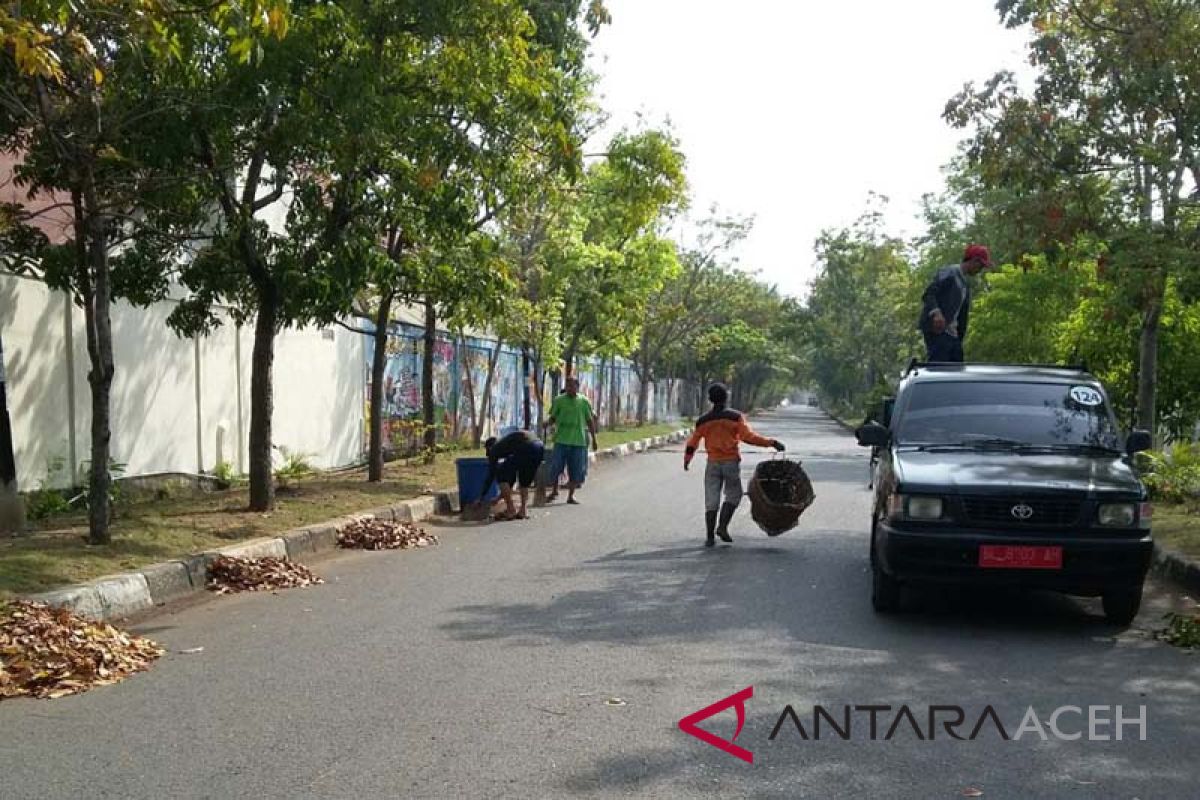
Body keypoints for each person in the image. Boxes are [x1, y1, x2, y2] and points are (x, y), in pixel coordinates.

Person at [684, 383, 785, 547]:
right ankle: (722, 527)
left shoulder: (703, 421)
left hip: (712, 463)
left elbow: (692, 443)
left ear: (710, 399)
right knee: (734, 495)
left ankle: (710, 537)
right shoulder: (735, 417)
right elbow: (749, 437)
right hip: (730, 462)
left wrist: (687, 460)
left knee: (711, 499)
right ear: (726, 397)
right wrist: (771, 442)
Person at [917, 244, 993, 363]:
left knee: (957, 367)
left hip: (953, 335)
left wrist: (959, 335)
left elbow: (962, 316)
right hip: (938, 332)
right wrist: (936, 313)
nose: (980, 270)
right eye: (981, 265)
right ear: (974, 261)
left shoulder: (965, 285)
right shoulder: (950, 273)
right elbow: (929, 294)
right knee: (940, 367)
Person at [543, 376, 598, 505]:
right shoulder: (559, 401)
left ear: (577, 387)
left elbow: (590, 421)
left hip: (578, 441)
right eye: (568, 386)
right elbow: (553, 417)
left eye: (572, 386)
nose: (570, 389)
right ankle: (554, 491)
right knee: (556, 467)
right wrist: (547, 423)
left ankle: (570, 496)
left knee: (576, 469)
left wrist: (594, 439)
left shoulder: (584, 401)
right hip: (561, 440)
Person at [478, 428, 545, 521]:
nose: (487, 454)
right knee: (524, 480)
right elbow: (511, 479)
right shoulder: (509, 444)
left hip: (526, 446)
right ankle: (523, 510)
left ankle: (511, 509)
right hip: (539, 446)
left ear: (489, 447)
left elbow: (491, 475)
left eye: (487, 451)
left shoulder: (495, 449)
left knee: (500, 474)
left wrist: (481, 497)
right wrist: (498, 498)